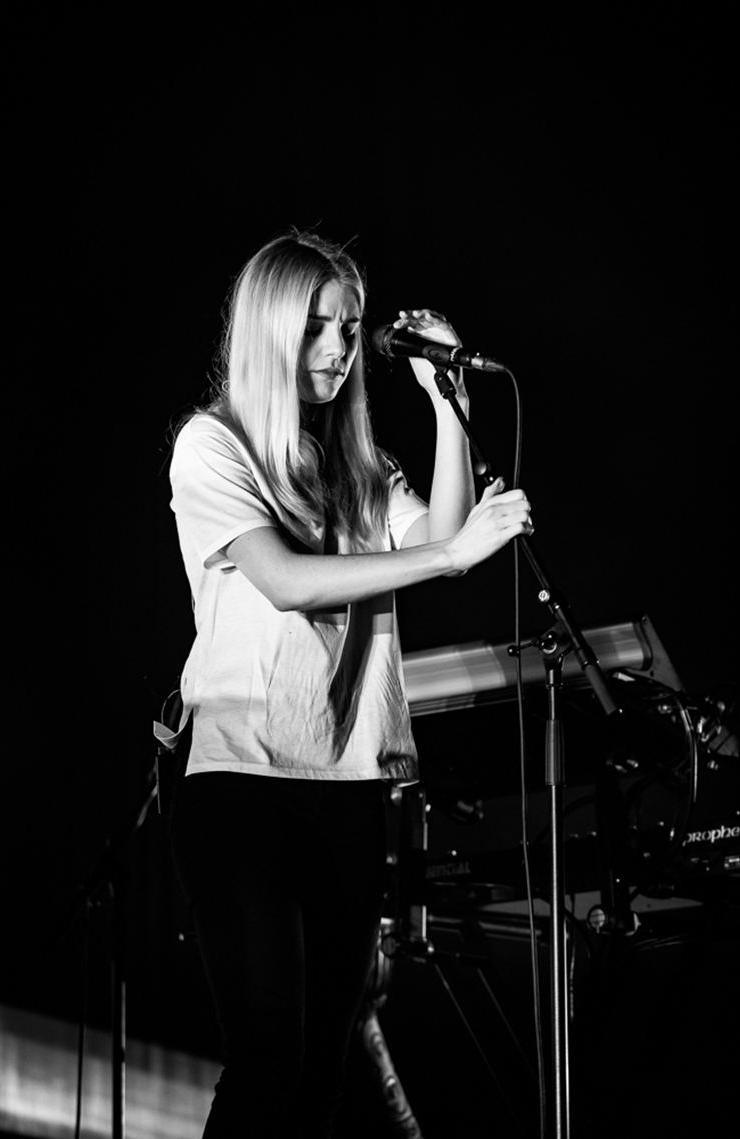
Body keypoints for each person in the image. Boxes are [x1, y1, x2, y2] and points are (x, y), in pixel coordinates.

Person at [166, 230, 532, 1137]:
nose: (339, 346)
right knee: (267, 1056)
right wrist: (450, 550)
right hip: (241, 779)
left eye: (351, 326)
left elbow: (435, 537)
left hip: (350, 782)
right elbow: (288, 581)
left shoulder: (357, 466)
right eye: (319, 326)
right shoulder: (213, 446)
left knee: (323, 1070)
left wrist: (444, 401)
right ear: (270, 331)